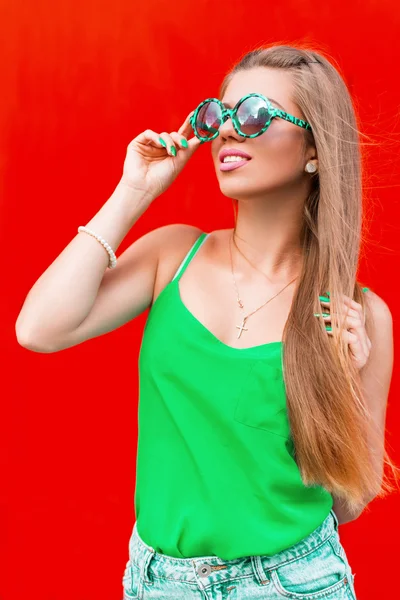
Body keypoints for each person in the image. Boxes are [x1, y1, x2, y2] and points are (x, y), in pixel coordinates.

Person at [15, 44, 396, 600]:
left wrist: (346, 385)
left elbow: (348, 503)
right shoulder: (174, 255)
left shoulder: (358, 314)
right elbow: (38, 329)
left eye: (254, 115)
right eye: (217, 115)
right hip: (156, 582)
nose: (227, 132)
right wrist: (135, 191)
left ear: (314, 148)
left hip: (294, 583)